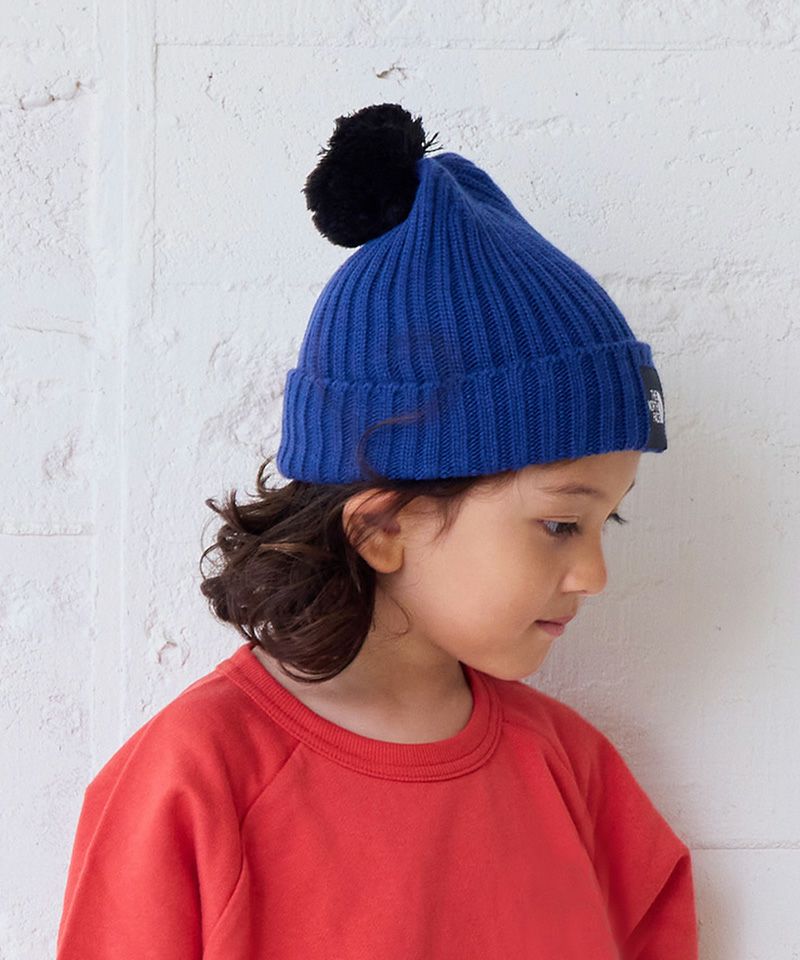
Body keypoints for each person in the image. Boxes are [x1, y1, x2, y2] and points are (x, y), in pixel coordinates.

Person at [55, 102, 698, 958]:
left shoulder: (578, 780)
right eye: (560, 523)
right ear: (383, 527)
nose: (595, 574)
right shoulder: (196, 782)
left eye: (604, 520)